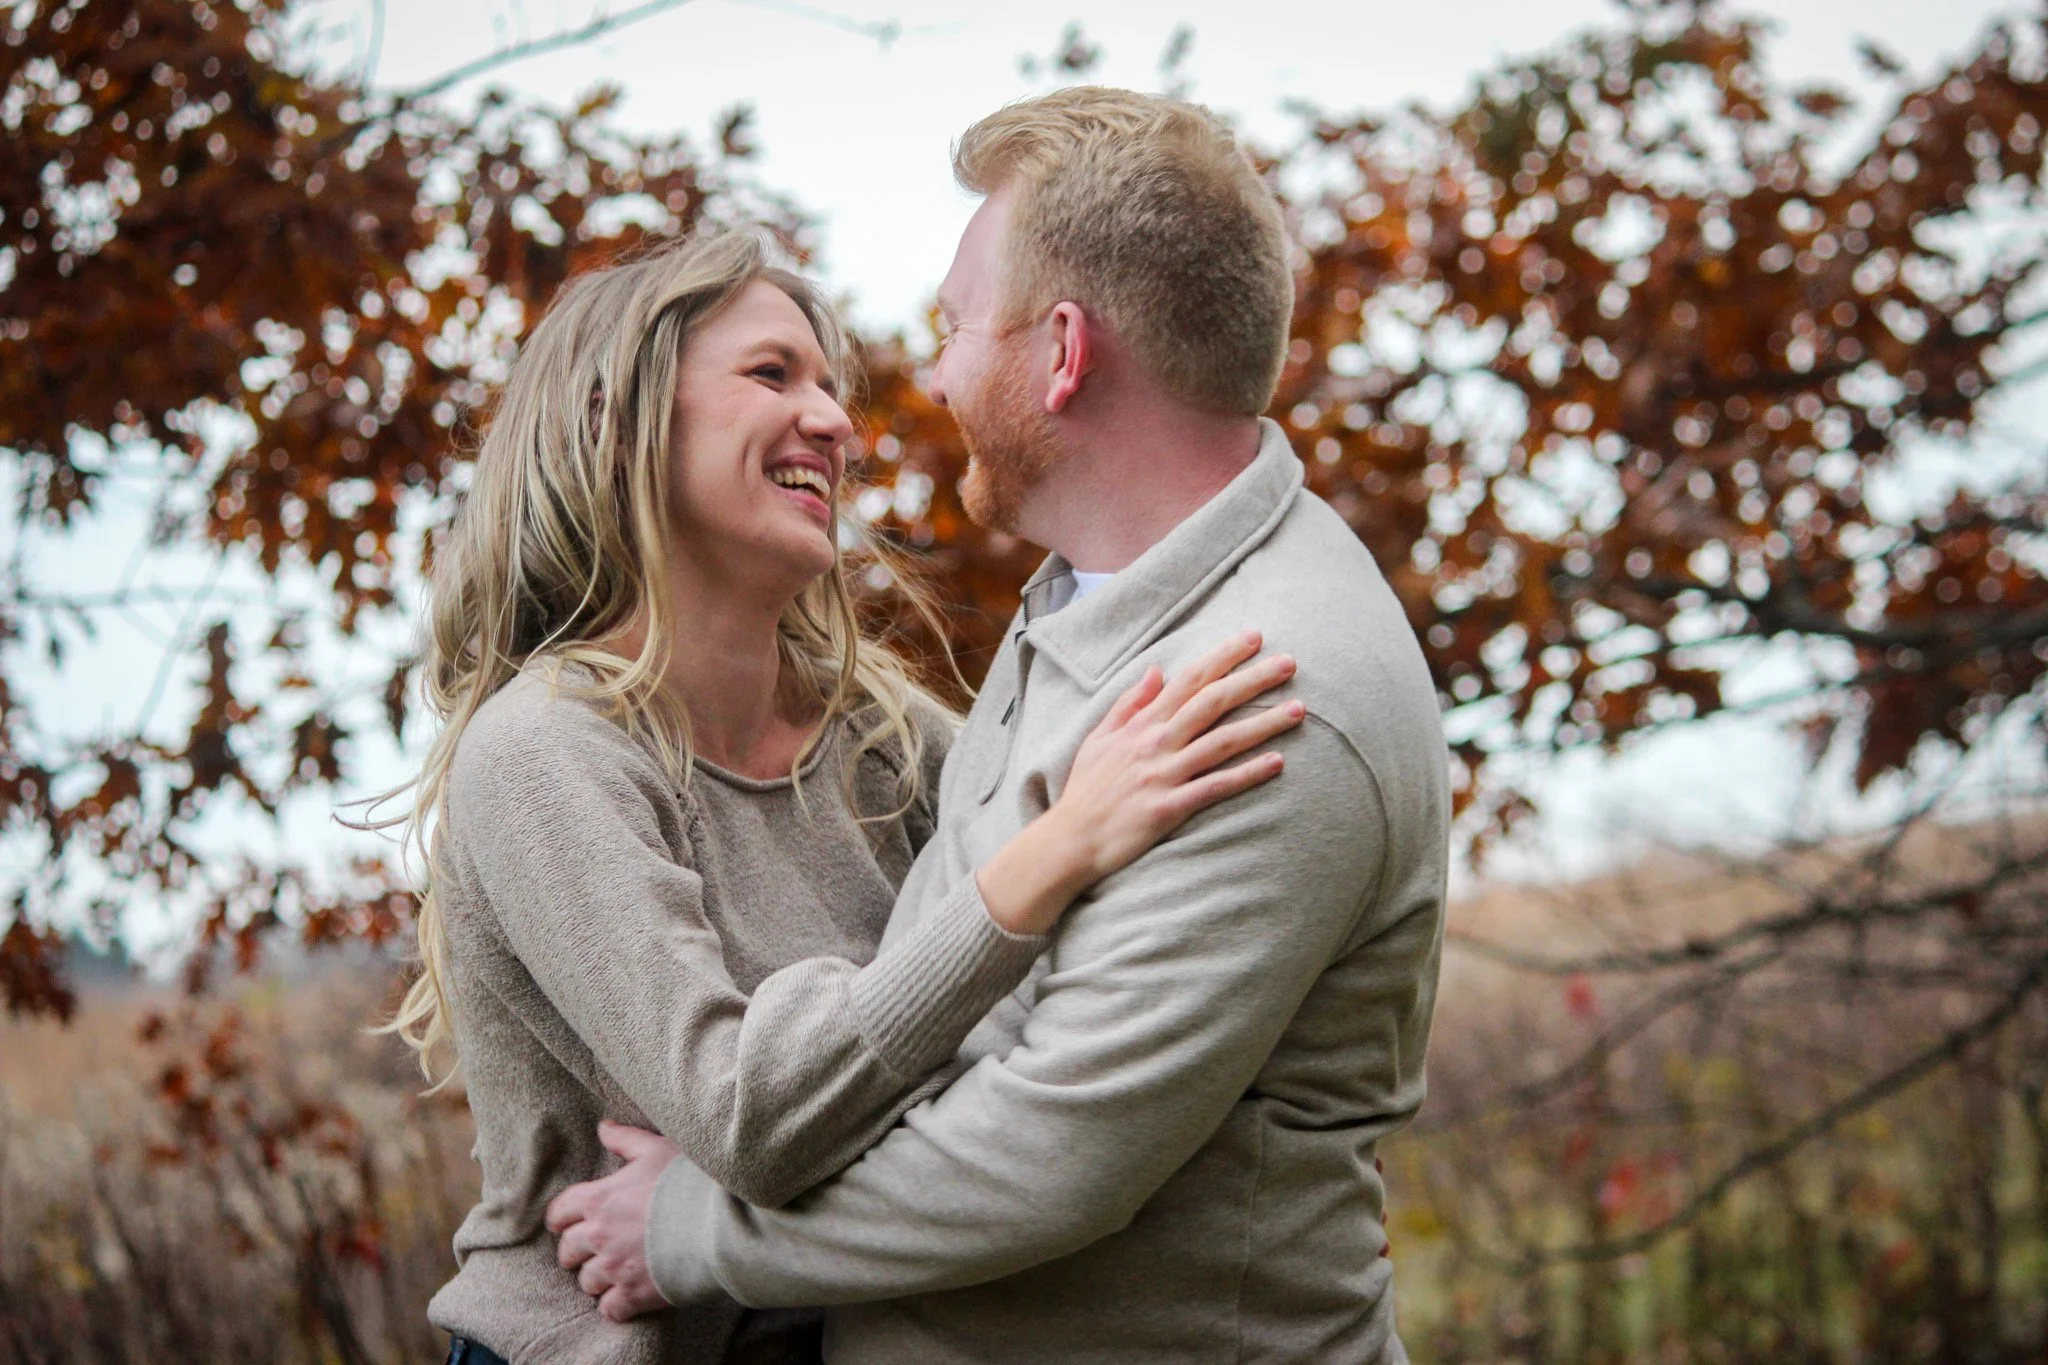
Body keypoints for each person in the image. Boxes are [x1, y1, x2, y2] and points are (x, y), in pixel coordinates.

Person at [551, 87, 1451, 1363]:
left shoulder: (1263, 689)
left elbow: (1048, 1154)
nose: (931, 375)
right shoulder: (1106, 602)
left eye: (955, 327)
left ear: (1063, 353)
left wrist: (690, 1235)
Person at [382, 230, 1310, 1365]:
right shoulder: (542, 755)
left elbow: (1023, 1044)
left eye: (829, 385)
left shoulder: (884, 743)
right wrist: (1050, 851)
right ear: (614, 420)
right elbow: (743, 1118)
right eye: (772, 375)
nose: (832, 422)